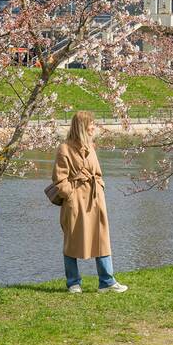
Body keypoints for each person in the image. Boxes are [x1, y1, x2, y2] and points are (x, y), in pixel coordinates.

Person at [51, 110, 128, 294]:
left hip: (95, 200)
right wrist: (70, 195)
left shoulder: (91, 146)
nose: (94, 127)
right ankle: (73, 282)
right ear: (82, 126)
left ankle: (107, 282)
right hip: (75, 202)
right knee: (72, 241)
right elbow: (59, 179)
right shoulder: (65, 149)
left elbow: (98, 173)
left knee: (102, 239)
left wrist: (100, 187)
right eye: (91, 123)